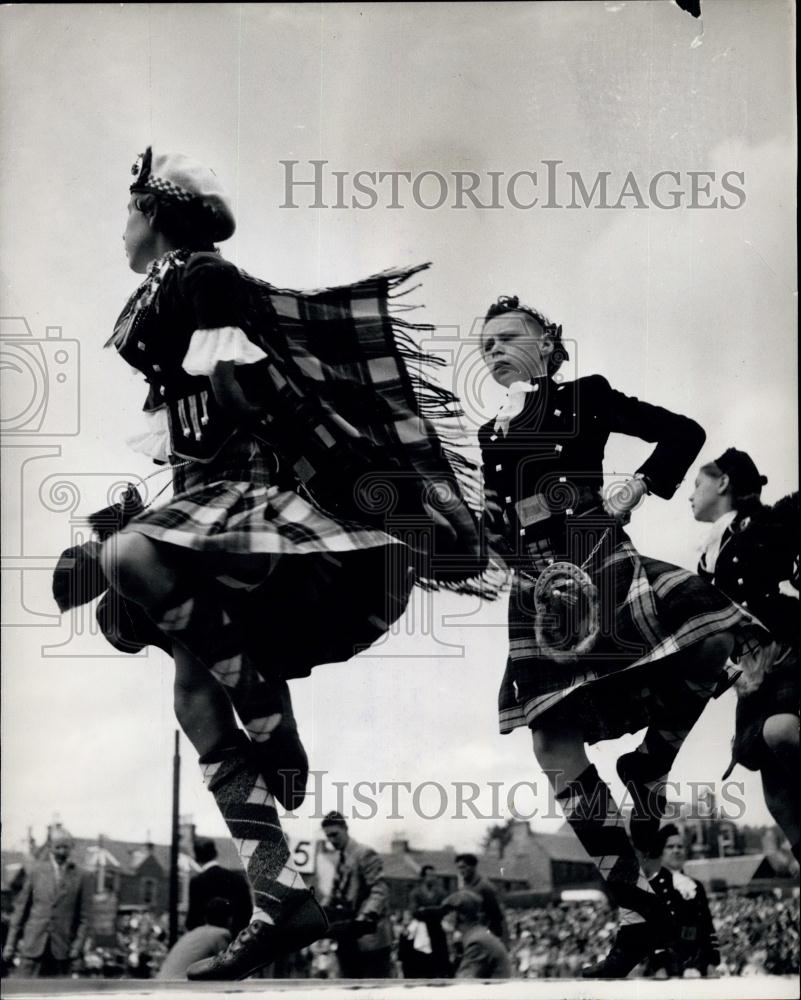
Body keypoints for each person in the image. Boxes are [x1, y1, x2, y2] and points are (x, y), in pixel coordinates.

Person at [52, 149, 492, 980]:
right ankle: (278, 894)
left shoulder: (204, 278)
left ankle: (263, 701)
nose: (121, 228)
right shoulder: (162, 289)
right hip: (207, 494)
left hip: (254, 499)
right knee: (189, 697)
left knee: (126, 557)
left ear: (155, 215)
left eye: (128, 212)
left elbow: (249, 386)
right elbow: (185, 414)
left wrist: (250, 415)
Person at [477, 295, 749, 977]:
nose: (494, 350)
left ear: (546, 343)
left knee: (714, 631)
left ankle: (648, 762)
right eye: (484, 345)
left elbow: (682, 431)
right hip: (538, 590)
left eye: (508, 337)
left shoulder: (584, 397)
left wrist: (636, 488)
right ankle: (632, 914)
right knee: (551, 743)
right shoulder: (487, 435)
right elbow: (492, 523)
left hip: (600, 560)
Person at [690, 450, 799, 863]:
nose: (690, 495)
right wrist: (732, 673)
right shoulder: (708, 551)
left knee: (781, 732)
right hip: (748, 672)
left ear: (722, 484)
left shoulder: (775, 520)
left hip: (787, 651)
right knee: (777, 796)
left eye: (697, 484)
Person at [3, 831, 92, 977]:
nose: (62, 851)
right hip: (33, 947)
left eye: (65, 847)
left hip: (62, 950)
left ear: (71, 848)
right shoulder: (36, 872)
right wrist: (10, 944)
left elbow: (85, 918)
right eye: (58, 847)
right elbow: (21, 911)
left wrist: (77, 947)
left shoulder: (82, 876)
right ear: (50, 847)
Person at [321, 812, 392, 978]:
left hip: (371, 938)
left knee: (374, 990)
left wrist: (365, 915)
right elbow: (334, 893)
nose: (331, 840)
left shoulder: (365, 853)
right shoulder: (341, 858)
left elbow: (379, 889)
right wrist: (319, 912)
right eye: (328, 837)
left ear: (345, 829)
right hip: (348, 937)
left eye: (335, 835)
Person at [647, 825, 720, 977]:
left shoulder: (696, 886)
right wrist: (658, 965)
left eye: (680, 846)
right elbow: (650, 931)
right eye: (670, 847)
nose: (676, 850)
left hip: (699, 962)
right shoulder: (651, 886)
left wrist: (712, 962)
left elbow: (707, 927)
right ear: (661, 852)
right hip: (667, 964)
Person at [185, 839, 252, 937]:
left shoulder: (197, 882)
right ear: (215, 854)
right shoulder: (237, 878)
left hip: (207, 940)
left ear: (196, 858)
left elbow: (193, 920)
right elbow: (247, 913)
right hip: (234, 939)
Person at [158, 897, 232, 980]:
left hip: (164, 981)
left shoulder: (196, 932)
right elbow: (227, 966)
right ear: (229, 918)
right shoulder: (221, 934)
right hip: (181, 985)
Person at [443, 890, 512, 979]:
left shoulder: (477, 942)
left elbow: (463, 984)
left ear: (461, 915)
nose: (444, 916)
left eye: (448, 912)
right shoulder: (477, 934)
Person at [407, 865, 451, 977]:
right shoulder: (416, 892)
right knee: (422, 958)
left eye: (434, 875)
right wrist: (434, 911)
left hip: (437, 929)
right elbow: (415, 912)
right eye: (429, 875)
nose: (432, 878)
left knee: (439, 959)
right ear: (423, 877)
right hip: (421, 930)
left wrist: (426, 910)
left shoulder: (441, 892)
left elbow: (444, 909)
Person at [454, 854, 507, 944]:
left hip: (482, 934)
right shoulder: (464, 887)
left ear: (473, 867)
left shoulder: (485, 887)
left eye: (463, 867)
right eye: (459, 868)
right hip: (467, 933)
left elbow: (496, 915)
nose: (461, 871)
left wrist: (494, 937)